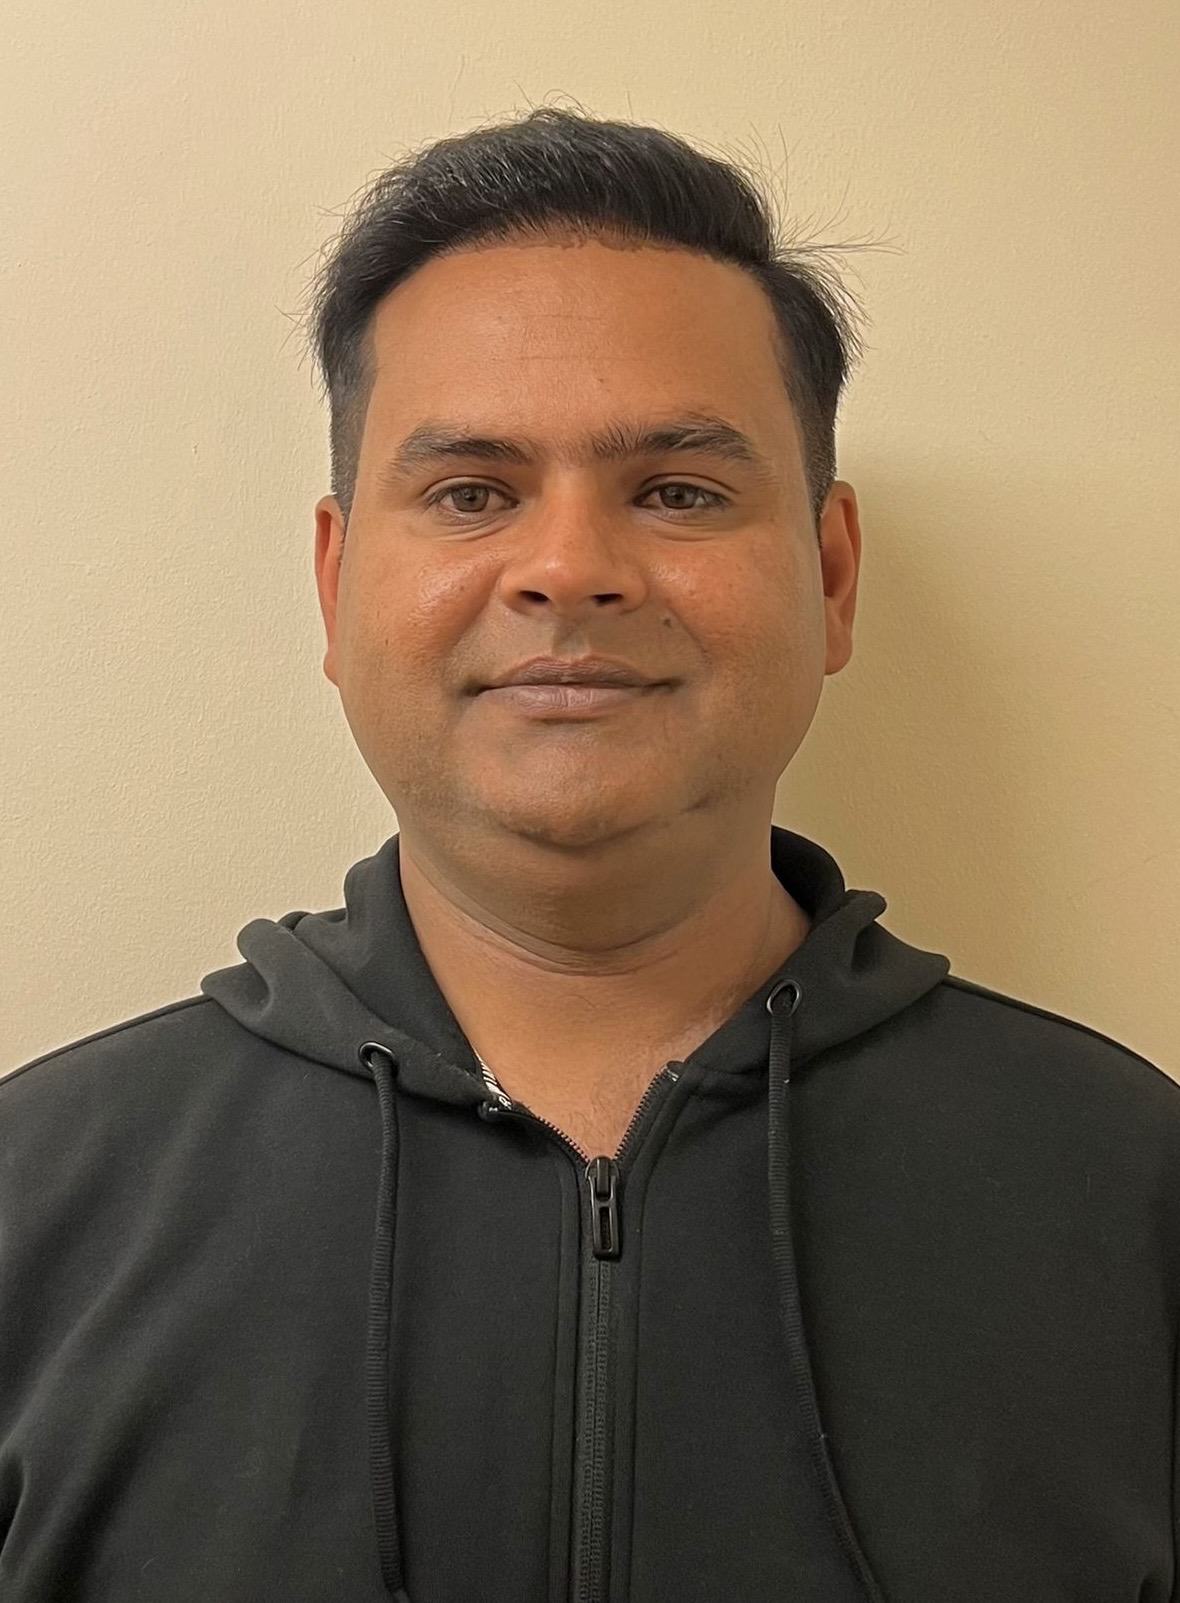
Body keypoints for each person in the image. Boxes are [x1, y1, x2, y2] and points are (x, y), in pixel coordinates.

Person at [2, 107, 1177, 1603]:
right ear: (337, 579)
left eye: (678, 491)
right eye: (471, 493)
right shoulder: (36, 1200)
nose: (568, 568)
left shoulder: (1131, 1195)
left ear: (829, 576)